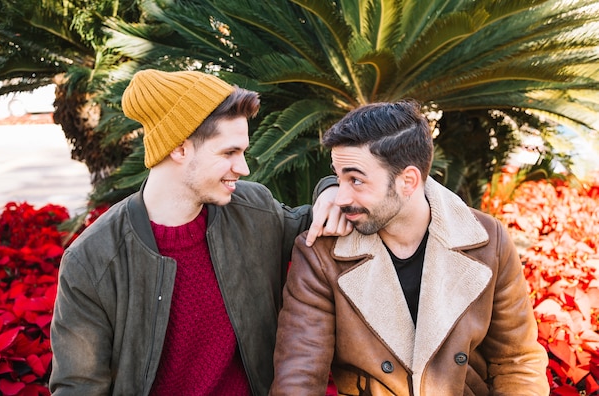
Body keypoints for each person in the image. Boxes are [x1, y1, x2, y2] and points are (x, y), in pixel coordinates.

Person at [49, 69, 350, 396]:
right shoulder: (93, 261)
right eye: (229, 153)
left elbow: (317, 222)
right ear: (179, 149)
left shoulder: (255, 210)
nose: (244, 167)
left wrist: (334, 189)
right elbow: (78, 388)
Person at [270, 100, 550, 396]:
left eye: (356, 180)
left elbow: (517, 361)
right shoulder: (321, 253)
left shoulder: (487, 240)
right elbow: (299, 376)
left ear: (408, 181)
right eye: (339, 178)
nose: (340, 197)